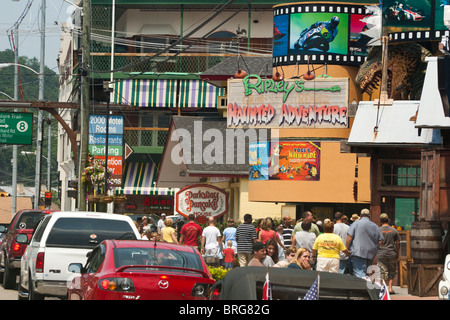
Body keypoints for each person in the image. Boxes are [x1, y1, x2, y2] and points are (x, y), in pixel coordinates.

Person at [346, 208, 384, 278]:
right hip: (370, 253)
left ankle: (361, 288)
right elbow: (381, 240)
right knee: (367, 272)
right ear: (369, 216)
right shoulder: (374, 225)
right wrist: (375, 248)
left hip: (358, 252)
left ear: (360, 215)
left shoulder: (356, 223)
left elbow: (349, 236)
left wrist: (346, 248)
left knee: (359, 273)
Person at [377, 213, 400, 294]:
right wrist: (397, 252)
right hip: (391, 253)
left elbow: (376, 242)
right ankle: (390, 288)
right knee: (391, 271)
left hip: (381, 253)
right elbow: (397, 242)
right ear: (388, 219)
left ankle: (384, 288)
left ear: (380, 220)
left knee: (382, 271)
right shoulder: (394, 230)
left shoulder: (378, 230)